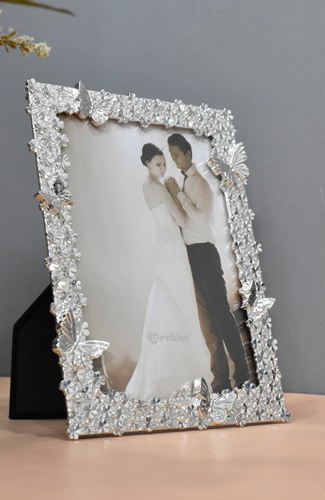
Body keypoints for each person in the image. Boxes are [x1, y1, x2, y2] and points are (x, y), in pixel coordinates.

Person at [125, 143, 212, 399]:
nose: (163, 168)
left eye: (164, 163)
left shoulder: (147, 186)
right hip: (172, 247)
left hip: (165, 244)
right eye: (158, 164)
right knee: (181, 302)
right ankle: (184, 370)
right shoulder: (158, 187)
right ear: (147, 164)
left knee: (172, 299)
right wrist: (177, 194)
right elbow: (182, 219)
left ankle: (175, 368)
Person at [165, 133, 251, 392]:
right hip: (191, 255)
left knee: (222, 316)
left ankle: (243, 375)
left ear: (188, 154)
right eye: (171, 156)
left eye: (177, 155)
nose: (175, 160)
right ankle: (220, 381)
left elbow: (201, 221)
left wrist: (178, 195)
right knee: (207, 324)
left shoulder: (200, 183)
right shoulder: (184, 182)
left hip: (205, 253)